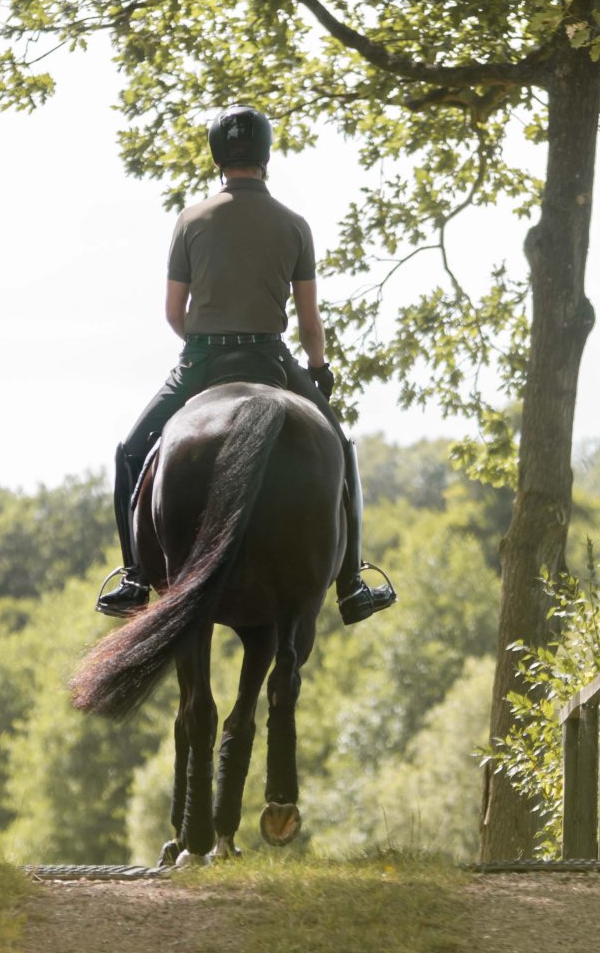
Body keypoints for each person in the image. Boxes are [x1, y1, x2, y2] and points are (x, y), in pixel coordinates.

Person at [96, 105, 398, 626]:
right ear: (265, 155)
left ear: (217, 156)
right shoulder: (294, 225)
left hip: (200, 359)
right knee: (342, 448)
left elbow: (173, 312)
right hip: (270, 356)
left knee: (128, 453)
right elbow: (308, 323)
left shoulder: (190, 221)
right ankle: (351, 583)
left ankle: (135, 579)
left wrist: (200, 344)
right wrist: (318, 367)